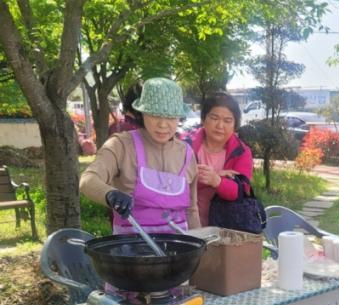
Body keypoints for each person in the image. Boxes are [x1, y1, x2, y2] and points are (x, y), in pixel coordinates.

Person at [81, 77, 200, 235]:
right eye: (155, 115)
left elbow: (191, 210)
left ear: (179, 116)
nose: (163, 124)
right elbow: (88, 180)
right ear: (142, 113)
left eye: (171, 117)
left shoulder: (186, 153)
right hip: (131, 247)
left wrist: (199, 243)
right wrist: (109, 194)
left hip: (179, 247)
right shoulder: (121, 145)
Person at [184, 92, 253, 227]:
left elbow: (241, 192)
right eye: (214, 118)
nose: (220, 126)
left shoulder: (242, 152)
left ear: (235, 125)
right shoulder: (185, 145)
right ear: (203, 119)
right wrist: (208, 177)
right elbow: (172, 185)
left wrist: (217, 180)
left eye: (227, 121)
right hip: (183, 224)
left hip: (225, 227)